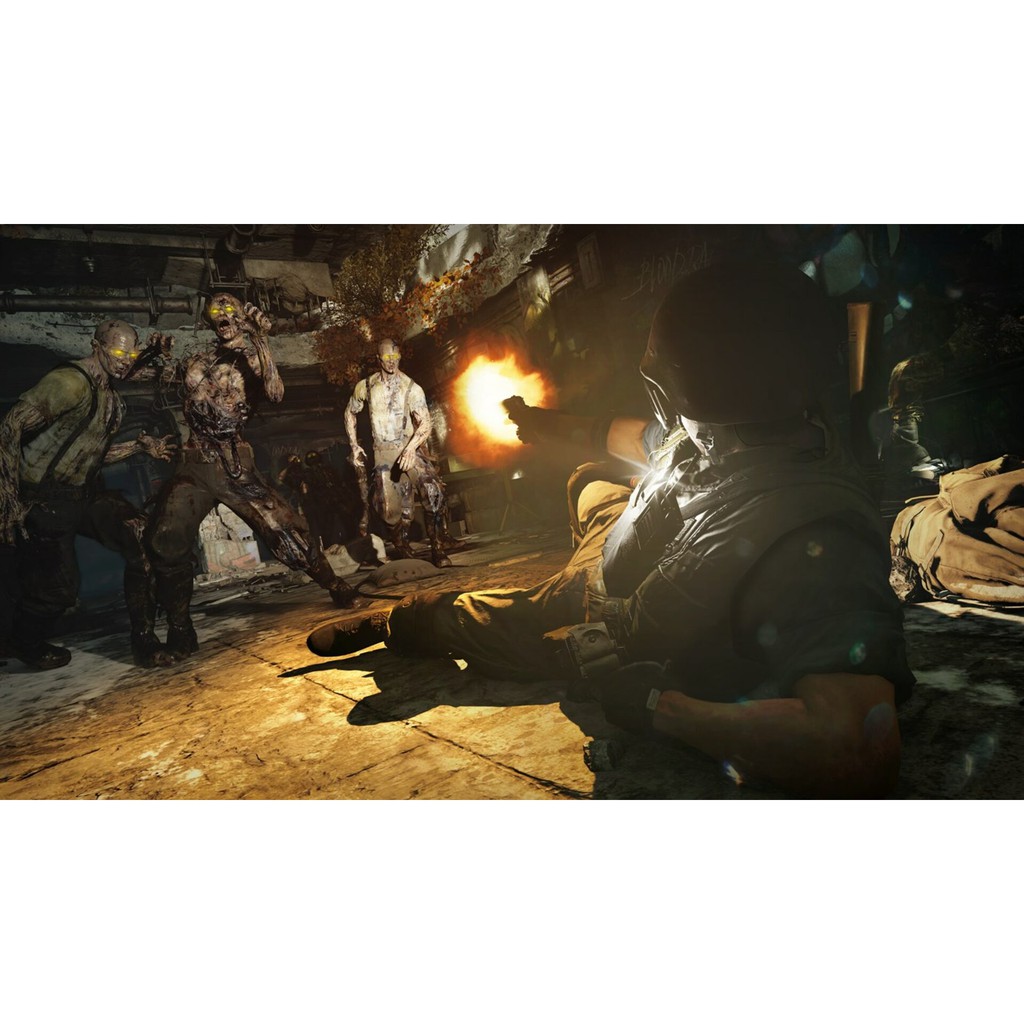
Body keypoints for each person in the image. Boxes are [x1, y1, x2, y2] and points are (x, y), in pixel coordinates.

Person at [309, 262, 916, 798]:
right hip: (632, 541)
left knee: (483, 619)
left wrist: (662, 708)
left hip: (607, 614)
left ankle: (400, 622)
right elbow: (615, 435)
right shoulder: (726, 433)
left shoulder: (813, 541)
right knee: (591, 479)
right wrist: (537, 422)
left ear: (697, 386)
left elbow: (857, 751)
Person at [144, 293, 356, 661]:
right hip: (195, 463)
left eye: (230, 308)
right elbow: (163, 380)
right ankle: (180, 629)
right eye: (217, 309)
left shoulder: (253, 357)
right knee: (166, 538)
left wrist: (260, 339)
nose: (223, 314)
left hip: (234, 464)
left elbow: (275, 392)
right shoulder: (200, 358)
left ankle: (335, 584)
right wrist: (155, 356)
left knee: (285, 532)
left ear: (243, 316)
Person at [0, 320, 178, 669]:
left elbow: (94, 455)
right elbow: (9, 427)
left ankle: (144, 641)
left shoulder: (111, 400)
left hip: (82, 495)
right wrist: (7, 499)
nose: (125, 360)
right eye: (117, 351)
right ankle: (25, 643)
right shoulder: (70, 382)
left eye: (130, 354)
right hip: (42, 499)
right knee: (59, 590)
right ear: (96, 346)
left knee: (139, 534)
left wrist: (139, 448)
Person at [344, 338, 452, 568]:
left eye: (395, 357)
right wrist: (353, 444)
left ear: (400, 357)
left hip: (409, 448)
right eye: (387, 357)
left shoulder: (411, 387)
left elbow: (425, 423)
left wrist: (411, 449)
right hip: (383, 452)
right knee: (389, 510)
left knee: (433, 492)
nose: (391, 362)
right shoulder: (366, 386)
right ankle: (402, 547)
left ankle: (438, 549)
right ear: (378, 359)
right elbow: (350, 412)